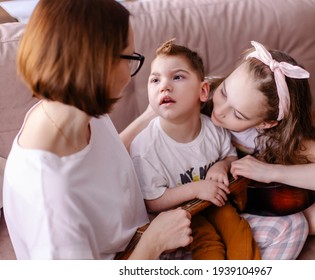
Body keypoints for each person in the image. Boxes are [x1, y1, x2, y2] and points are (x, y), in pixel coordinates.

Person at [3, 0, 192, 260]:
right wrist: (153, 243)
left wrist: (150, 115)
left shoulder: (75, 108)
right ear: (97, 66)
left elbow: (105, 161)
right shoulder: (50, 196)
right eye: (130, 58)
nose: (130, 73)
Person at [208, 41, 315, 235]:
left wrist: (271, 172)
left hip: (246, 199)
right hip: (200, 190)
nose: (219, 110)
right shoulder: (202, 90)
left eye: (238, 115)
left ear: (266, 123)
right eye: (224, 92)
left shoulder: (272, 136)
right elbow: (155, 113)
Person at [130, 39, 261, 260]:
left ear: (203, 91)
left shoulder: (213, 128)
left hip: (216, 202)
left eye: (177, 76)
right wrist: (197, 189)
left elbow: (230, 155)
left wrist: (222, 165)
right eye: (155, 79)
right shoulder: (144, 148)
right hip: (180, 214)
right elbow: (152, 200)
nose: (164, 86)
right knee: (208, 244)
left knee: (238, 231)